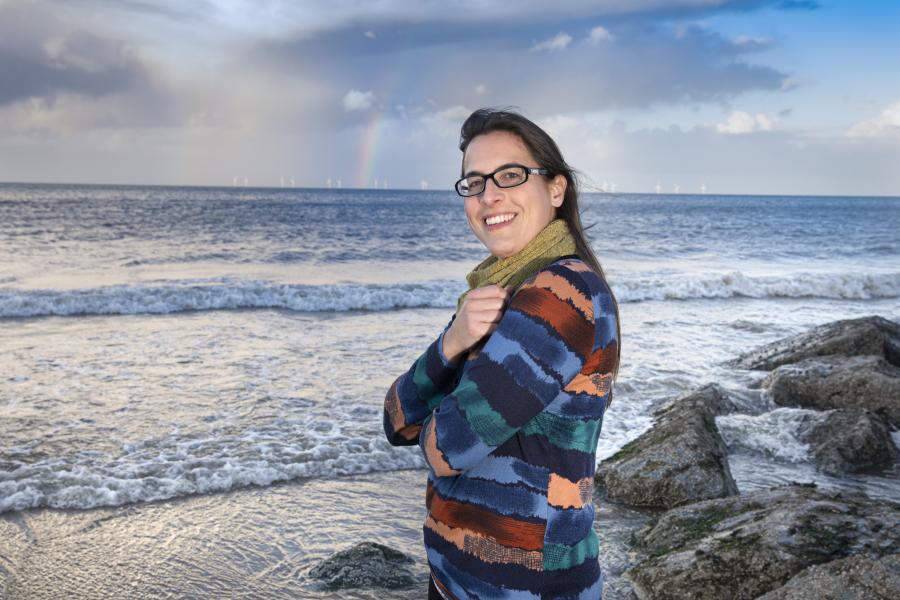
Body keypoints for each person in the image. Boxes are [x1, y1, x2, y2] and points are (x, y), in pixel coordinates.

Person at [383, 107, 621, 600]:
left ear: (556, 188)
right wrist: (453, 342)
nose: (489, 195)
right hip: (457, 581)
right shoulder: (497, 294)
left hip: (530, 588)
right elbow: (394, 421)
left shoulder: (562, 293)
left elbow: (446, 447)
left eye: (510, 176)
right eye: (473, 183)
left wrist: (439, 411)